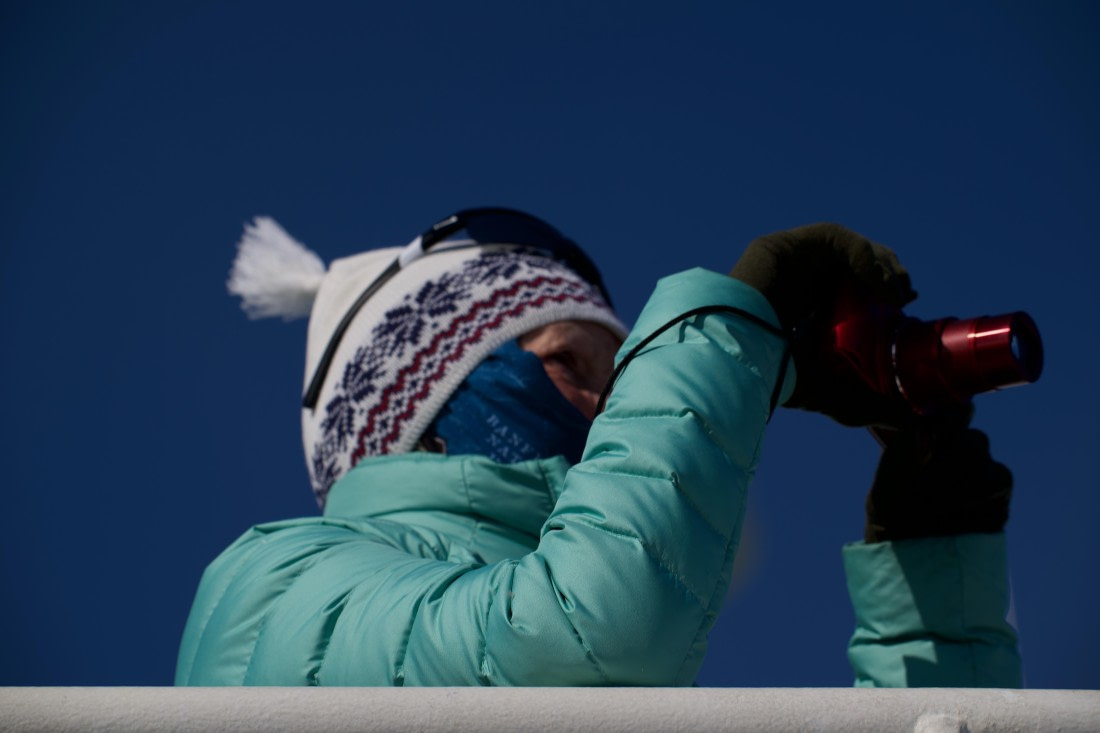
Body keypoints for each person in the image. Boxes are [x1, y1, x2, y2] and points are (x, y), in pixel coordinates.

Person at [175, 208, 1021, 687]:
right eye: (578, 364)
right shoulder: (272, 585)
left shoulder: (643, 627)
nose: (618, 410)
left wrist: (932, 599)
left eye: (631, 383)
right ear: (431, 407)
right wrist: (726, 323)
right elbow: (587, 635)